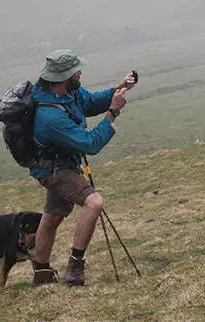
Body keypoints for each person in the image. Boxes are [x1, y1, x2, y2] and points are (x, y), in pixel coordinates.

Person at [28, 49, 136, 287]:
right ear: (65, 76)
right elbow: (90, 144)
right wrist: (114, 112)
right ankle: (75, 266)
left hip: (61, 164)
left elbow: (90, 102)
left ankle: (41, 273)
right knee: (94, 202)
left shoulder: (67, 91)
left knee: (53, 216)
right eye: (76, 70)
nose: (80, 72)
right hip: (56, 170)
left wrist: (119, 89)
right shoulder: (49, 116)